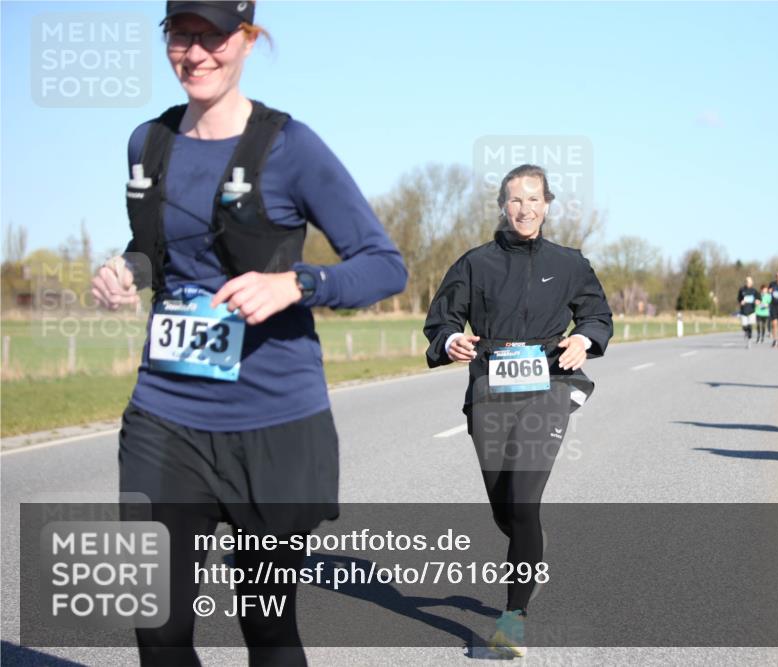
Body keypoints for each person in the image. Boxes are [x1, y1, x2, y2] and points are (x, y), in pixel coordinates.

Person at [90, 3, 407, 664]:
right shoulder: (146, 143)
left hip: (272, 423)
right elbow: (157, 252)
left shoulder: (291, 147)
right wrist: (125, 270)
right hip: (164, 417)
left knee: (264, 624)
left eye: (214, 36)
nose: (197, 52)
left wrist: (296, 283)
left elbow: (385, 266)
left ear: (247, 40)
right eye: (182, 34)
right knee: (158, 623)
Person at [424, 164, 613, 658]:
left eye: (533, 200)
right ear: (502, 207)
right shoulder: (474, 264)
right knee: (505, 508)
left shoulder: (570, 263)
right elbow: (441, 320)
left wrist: (584, 339)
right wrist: (450, 341)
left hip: (548, 387)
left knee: (524, 503)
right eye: (515, 200)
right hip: (489, 388)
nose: (524, 209)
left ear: (548, 204)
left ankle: (513, 619)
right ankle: (530, 549)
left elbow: (597, 315)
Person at [737, 276, 760, 349]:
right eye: (747, 282)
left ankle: (749, 340)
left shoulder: (754, 291)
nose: (748, 283)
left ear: (752, 283)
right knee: (744, 326)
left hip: (752, 311)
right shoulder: (742, 290)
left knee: (750, 326)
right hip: (743, 311)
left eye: (749, 282)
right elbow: (739, 299)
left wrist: (757, 301)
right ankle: (746, 332)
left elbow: (759, 299)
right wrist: (741, 302)